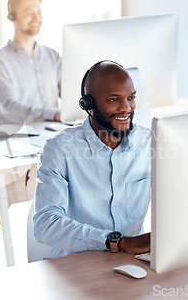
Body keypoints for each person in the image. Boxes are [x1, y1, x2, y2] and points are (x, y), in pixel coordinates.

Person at [33, 60, 151, 259]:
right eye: (114, 100)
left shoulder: (150, 143)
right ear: (88, 105)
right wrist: (116, 242)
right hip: (77, 263)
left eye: (130, 97)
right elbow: (46, 224)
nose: (126, 108)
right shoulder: (60, 149)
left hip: (133, 260)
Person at [0, 0, 61, 123]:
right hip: (19, 136)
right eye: (29, 12)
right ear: (12, 16)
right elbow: (9, 107)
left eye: (38, 12)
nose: (36, 18)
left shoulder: (53, 55)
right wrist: (54, 114)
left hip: (54, 132)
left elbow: (70, 97)